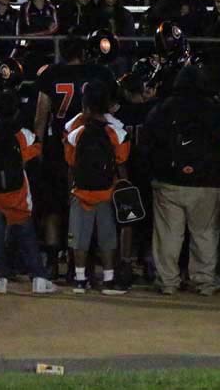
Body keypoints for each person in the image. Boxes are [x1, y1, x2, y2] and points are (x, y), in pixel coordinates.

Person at [141, 65, 220, 296]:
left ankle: (168, 282)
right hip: (206, 181)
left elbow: (147, 142)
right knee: (204, 234)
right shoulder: (213, 108)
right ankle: (204, 282)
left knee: (168, 235)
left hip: (169, 181)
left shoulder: (163, 108)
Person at [34, 37, 115, 280]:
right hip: (91, 146)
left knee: (53, 208)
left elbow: (41, 115)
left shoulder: (51, 74)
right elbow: (112, 110)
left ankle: (52, 262)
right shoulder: (98, 72)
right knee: (84, 208)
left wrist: (38, 147)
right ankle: (77, 265)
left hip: (58, 147)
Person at [0, 90, 57, 296]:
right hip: (18, 196)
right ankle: (38, 278)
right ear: (17, 111)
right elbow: (34, 166)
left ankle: (1, 278)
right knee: (27, 236)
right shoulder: (25, 135)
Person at [64, 80, 130, 295]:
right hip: (107, 193)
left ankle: (80, 280)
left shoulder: (75, 132)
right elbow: (121, 161)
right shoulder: (115, 131)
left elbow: (70, 163)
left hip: (80, 192)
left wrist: (71, 190)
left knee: (79, 239)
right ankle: (109, 280)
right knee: (108, 238)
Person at [113, 72, 158, 289]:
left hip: (126, 174)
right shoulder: (153, 111)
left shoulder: (118, 113)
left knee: (127, 221)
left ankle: (126, 264)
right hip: (148, 172)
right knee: (149, 220)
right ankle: (149, 261)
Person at [17, 0, 58, 77]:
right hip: (31, 51)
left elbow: (55, 29)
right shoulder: (26, 7)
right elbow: (26, 31)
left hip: (49, 52)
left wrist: (39, 31)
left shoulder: (52, 7)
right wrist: (46, 31)